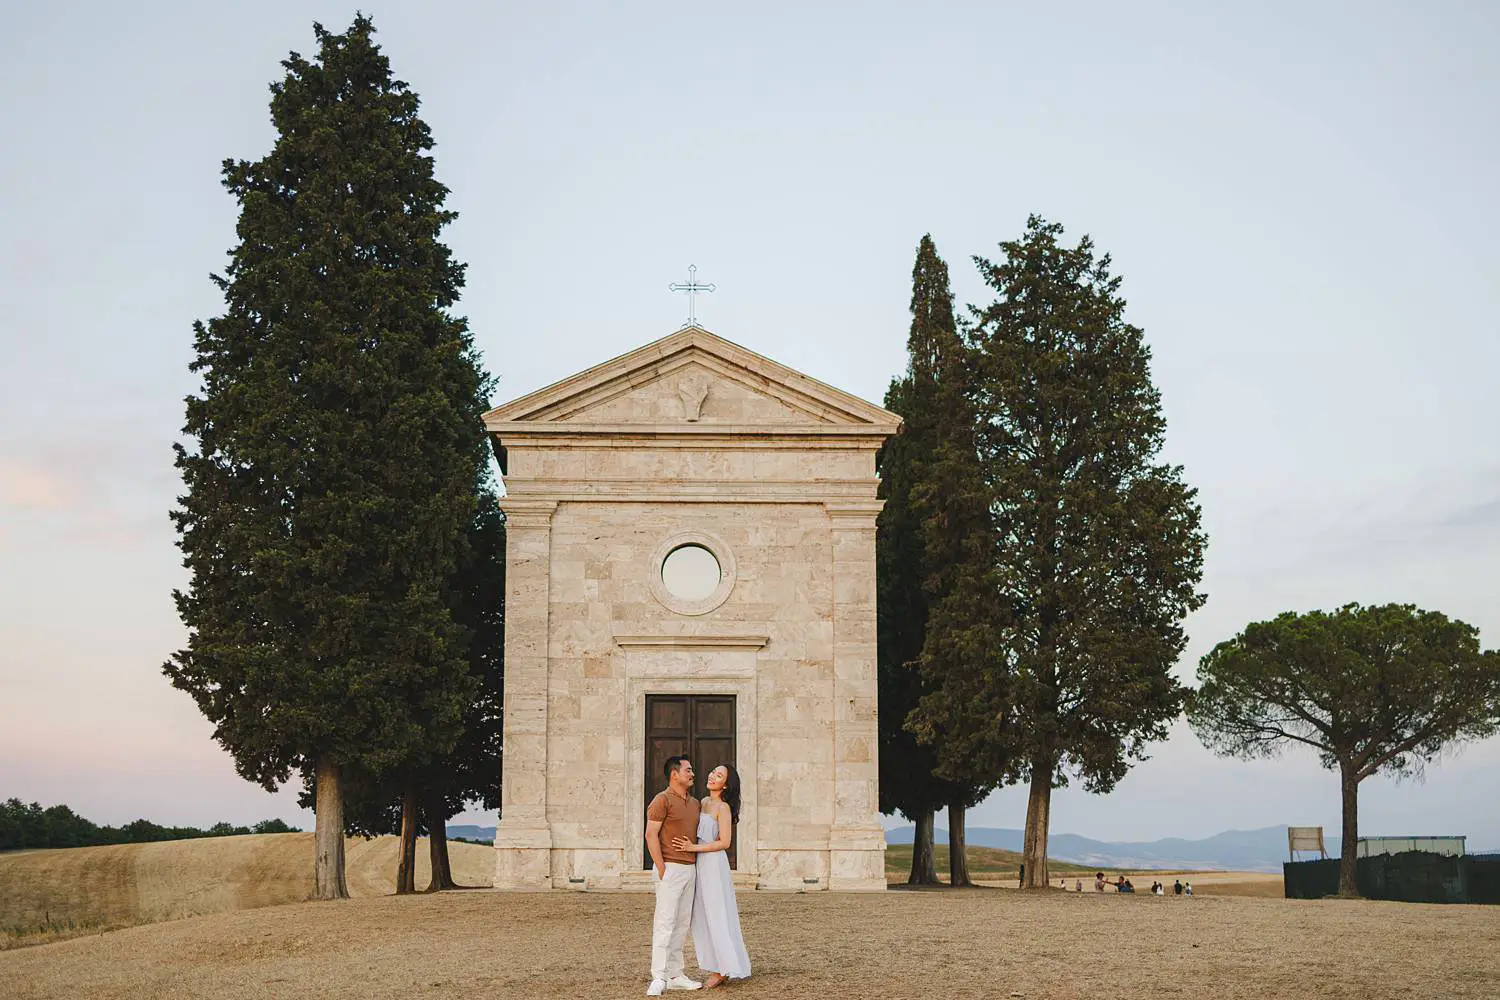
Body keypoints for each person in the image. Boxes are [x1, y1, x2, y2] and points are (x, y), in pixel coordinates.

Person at [671, 764, 752, 989]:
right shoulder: (702, 802)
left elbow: (724, 842)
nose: (712, 776)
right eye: (713, 772)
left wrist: (692, 848)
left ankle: (723, 969)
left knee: (717, 914)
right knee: (702, 915)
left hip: (713, 865)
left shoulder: (722, 807)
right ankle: (715, 964)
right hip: (698, 863)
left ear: (725, 784)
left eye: (718, 775)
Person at [645, 756, 702, 996]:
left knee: (681, 924)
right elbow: (650, 835)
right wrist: (661, 868)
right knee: (665, 923)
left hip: (690, 869)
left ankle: (676, 974)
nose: (692, 773)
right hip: (670, 868)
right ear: (674, 774)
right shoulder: (661, 800)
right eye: (688, 770)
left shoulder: (695, 803)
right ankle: (658, 977)